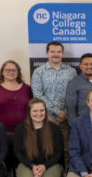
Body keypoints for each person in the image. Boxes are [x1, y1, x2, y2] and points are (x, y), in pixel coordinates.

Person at [31, 41, 77, 169]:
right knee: (48, 148)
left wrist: (65, 112)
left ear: (62, 53)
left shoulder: (71, 71)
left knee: (68, 148)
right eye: (52, 51)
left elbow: (74, 94)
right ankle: (52, 175)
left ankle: (68, 174)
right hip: (47, 117)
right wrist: (57, 111)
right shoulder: (39, 72)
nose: (56, 54)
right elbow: (38, 95)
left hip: (67, 117)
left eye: (59, 52)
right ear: (47, 53)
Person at [0, 60, 32, 134]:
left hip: (24, 130)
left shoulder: (27, 88)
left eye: (14, 70)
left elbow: (33, 107)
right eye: (7, 70)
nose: (11, 72)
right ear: (2, 72)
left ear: (18, 72)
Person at [66, 53, 92, 123]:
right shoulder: (74, 83)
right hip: (82, 123)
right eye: (86, 64)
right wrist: (75, 126)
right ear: (80, 66)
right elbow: (70, 108)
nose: (89, 66)